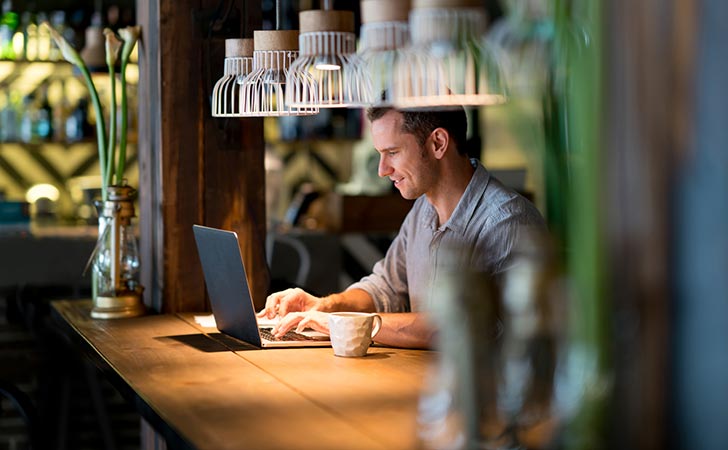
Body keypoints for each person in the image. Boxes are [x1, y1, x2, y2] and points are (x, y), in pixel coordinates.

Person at [258, 105, 545, 348]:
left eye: (392, 152)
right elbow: (385, 287)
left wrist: (344, 324)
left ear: (438, 144)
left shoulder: (508, 221)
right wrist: (323, 306)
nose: (382, 170)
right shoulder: (422, 209)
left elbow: (464, 326)